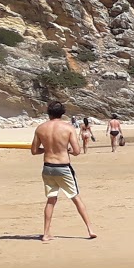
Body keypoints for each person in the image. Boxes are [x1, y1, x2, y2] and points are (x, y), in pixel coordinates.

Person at [31, 101, 96, 242]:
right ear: (62, 113)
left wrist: (48, 149)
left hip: (48, 167)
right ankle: (90, 229)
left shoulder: (41, 128)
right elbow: (77, 151)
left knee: (51, 199)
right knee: (76, 197)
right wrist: (65, 150)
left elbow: (34, 151)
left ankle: (46, 233)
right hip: (63, 166)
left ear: (49, 113)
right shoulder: (68, 127)